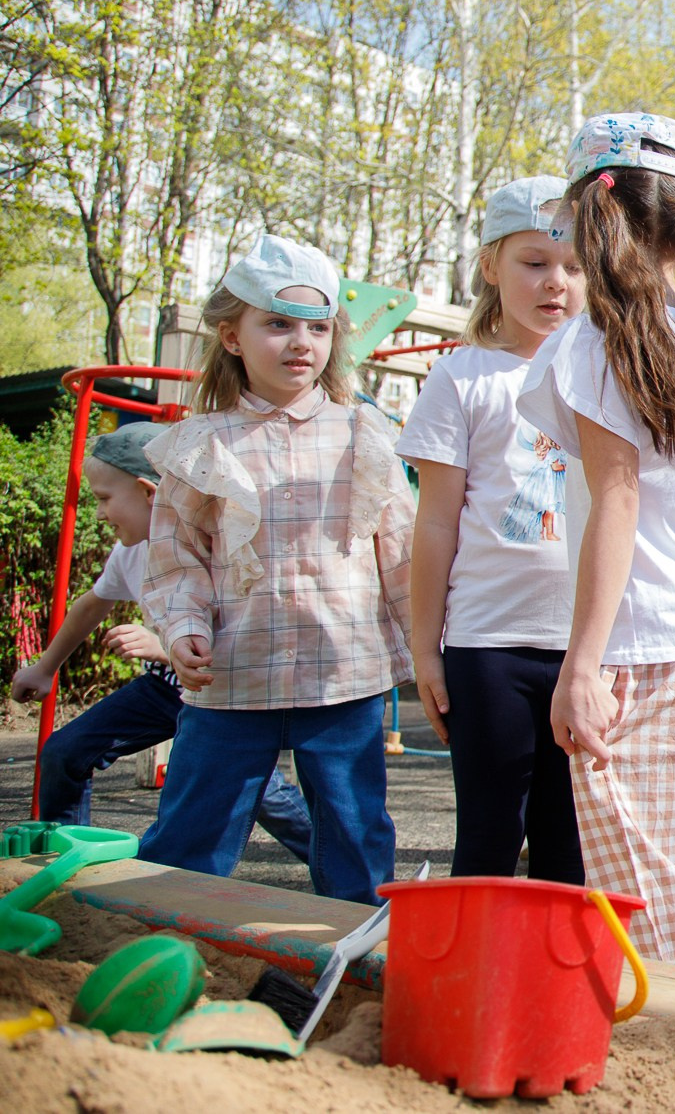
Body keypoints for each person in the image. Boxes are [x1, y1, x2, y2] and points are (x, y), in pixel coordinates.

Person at [518, 112, 675, 970]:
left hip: (640, 654)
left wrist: (581, 664)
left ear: (593, 215)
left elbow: (614, 505)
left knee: (659, 909)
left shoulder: (598, 342)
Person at [137, 234, 413, 905]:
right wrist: (181, 627)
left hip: (343, 678)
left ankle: (360, 952)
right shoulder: (200, 446)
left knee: (356, 838)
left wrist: (430, 655)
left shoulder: (363, 434)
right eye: (279, 324)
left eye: (318, 328)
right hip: (232, 678)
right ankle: (157, 943)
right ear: (232, 336)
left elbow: (403, 555)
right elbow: (176, 559)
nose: (301, 343)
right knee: (189, 838)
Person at [398, 175, 587, 882]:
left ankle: (556, 959)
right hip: (486, 645)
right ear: (490, 266)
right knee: (488, 834)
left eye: (575, 266)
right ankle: (473, 954)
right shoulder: (461, 378)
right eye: (534, 262)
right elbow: (434, 523)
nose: (556, 282)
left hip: (586, 648)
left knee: (570, 843)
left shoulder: (605, 376)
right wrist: (426, 648)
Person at [14, 422, 312, 859]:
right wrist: (45, 668)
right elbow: (91, 605)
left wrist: (161, 646)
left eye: (104, 499)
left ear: (148, 492)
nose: (98, 514)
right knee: (65, 753)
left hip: (221, 697)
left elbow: (246, 631)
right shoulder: (130, 551)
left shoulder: (220, 547)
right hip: (164, 689)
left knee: (264, 796)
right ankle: (65, 858)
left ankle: (348, 876)